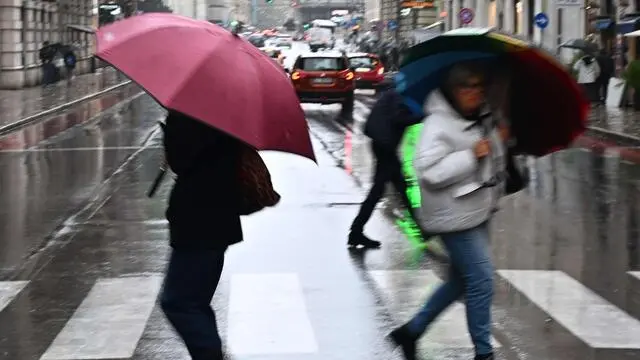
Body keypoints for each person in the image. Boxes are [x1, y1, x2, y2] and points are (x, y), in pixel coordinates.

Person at [388, 63, 506, 360]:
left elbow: (489, 158)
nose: (474, 93)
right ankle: (484, 353)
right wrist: (471, 155)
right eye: (467, 87)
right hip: (452, 215)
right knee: (481, 279)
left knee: (461, 280)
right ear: (453, 90)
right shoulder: (437, 125)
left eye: (479, 87)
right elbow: (428, 172)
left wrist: (498, 140)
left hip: (476, 209)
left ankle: (412, 331)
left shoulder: (478, 117)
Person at [160, 111, 243, 360]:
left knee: (179, 303)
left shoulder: (190, 114)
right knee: (195, 303)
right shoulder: (227, 113)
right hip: (217, 219)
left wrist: (170, 133)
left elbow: (181, 159)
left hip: (198, 222)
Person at [348, 87, 423, 248]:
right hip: (384, 144)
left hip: (382, 142)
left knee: (400, 186)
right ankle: (355, 232)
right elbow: (398, 118)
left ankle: (423, 227)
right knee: (379, 191)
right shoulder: (402, 94)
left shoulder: (399, 90)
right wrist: (421, 117)